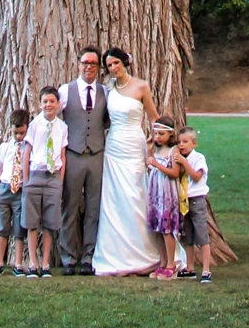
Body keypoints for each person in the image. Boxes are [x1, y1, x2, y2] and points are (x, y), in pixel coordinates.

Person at [91, 47, 161, 277]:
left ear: (124, 62)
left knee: (136, 196)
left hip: (134, 144)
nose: (113, 68)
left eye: (116, 63)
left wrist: (156, 142)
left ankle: (145, 252)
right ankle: (116, 254)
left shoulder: (141, 86)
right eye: (109, 65)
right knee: (114, 199)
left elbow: (153, 118)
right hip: (114, 147)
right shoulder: (109, 88)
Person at [58, 48, 111, 275]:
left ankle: (88, 257)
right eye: (85, 63)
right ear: (78, 64)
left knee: (93, 208)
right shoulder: (65, 91)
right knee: (69, 207)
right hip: (72, 154)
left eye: (93, 63)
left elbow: (108, 121)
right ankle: (68, 258)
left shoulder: (105, 92)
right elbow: (52, 119)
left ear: (99, 68)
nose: (89, 67)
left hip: (97, 156)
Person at [22, 88, 68, 277]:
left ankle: (46, 263)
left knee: (50, 223)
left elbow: (63, 156)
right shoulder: (34, 125)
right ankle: (33, 262)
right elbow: (26, 153)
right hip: (35, 175)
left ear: (58, 104)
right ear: (40, 104)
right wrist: (26, 181)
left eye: (52, 101)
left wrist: (60, 181)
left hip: (53, 177)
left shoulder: (62, 127)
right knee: (32, 223)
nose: (48, 105)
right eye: (45, 102)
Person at [0, 108, 30, 276]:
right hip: (5, 188)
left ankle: (18, 263)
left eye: (21, 133)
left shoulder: (29, 148)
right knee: (1, 227)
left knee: (19, 229)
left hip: (20, 190)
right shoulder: (5, 147)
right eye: (15, 133)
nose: (18, 137)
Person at [145, 120, 182, 278]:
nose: (158, 137)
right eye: (156, 134)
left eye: (162, 134)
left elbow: (174, 173)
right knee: (157, 229)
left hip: (167, 193)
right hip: (156, 193)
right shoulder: (157, 150)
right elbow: (150, 164)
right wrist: (148, 152)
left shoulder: (174, 151)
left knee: (167, 229)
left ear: (171, 134)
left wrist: (156, 164)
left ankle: (171, 264)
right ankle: (163, 262)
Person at [176, 127, 212, 283]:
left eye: (185, 142)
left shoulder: (198, 158)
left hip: (197, 199)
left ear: (194, 143)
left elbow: (197, 177)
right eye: (179, 142)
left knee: (202, 235)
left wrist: (185, 163)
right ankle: (190, 268)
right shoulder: (178, 158)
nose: (182, 145)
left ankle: (206, 269)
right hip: (184, 201)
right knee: (187, 236)